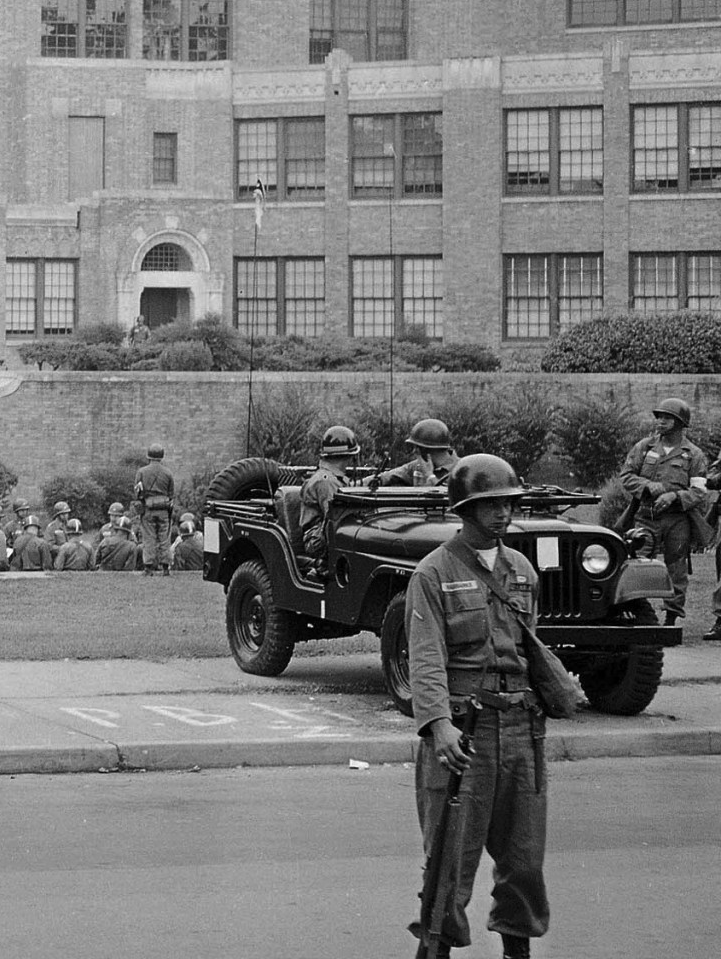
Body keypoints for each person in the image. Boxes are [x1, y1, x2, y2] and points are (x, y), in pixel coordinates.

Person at [402, 455, 582, 959]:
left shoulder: (520, 570)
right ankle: (437, 948)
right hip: (465, 732)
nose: (502, 514)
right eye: (489, 505)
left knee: (524, 856)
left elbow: (529, 644)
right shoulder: (433, 573)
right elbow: (426, 657)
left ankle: (516, 950)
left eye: (507, 503)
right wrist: (439, 727)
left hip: (522, 727)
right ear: (464, 510)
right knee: (448, 860)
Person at [607, 397, 714, 630]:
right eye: (659, 417)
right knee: (636, 563)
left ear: (680, 422)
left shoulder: (693, 455)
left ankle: (671, 619)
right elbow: (626, 476)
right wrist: (646, 485)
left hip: (677, 520)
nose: (661, 422)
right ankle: (636, 613)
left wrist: (674, 496)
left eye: (667, 418)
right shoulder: (644, 447)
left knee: (676, 568)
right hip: (646, 516)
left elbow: (699, 491)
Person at [298, 425, 367, 576]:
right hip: (318, 542)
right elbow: (337, 518)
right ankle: (326, 568)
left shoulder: (331, 478)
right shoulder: (326, 481)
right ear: (349, 457)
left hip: (323, 536)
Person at [374, 418, 461, 490]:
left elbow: (451, 496)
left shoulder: (462, 469)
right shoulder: (417, 466)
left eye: (416, 448)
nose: (414, 452)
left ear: (424, 450)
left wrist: (429, 475)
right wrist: (361, 483)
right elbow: (387, 477)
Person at [133, 445, 181, 575]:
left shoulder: (141, 472)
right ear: (161, 456)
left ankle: (148, 568)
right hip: (164, 511)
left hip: (148, 509)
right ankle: (165, 568)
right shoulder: (168, 473)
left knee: (149, 538)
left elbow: (137, 492)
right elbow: (171, 494)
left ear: (149, 456)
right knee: (165, 539)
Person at [94, 503, 140, 571]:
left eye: (116, 516)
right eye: (112, 515)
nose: (113, 518)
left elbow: (134, 545)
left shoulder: (128, 529)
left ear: (121, 516)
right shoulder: (104, 528)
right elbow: (97, 545)